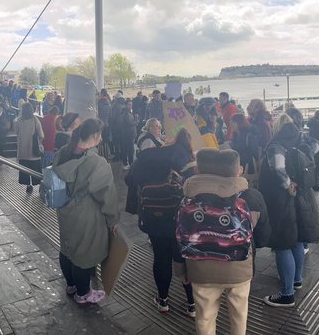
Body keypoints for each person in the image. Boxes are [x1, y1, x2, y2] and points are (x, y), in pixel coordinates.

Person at [185, 148, 269, 335]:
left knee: (204, 317)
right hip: (239, 267)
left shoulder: (187, 199)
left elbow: (178, 236)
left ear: (199, 171)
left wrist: (180, 268)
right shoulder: (251, 197)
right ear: (236, 170)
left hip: (200, 268)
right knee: (239, 315)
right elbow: (263, 236)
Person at [127, 129, 195, 316]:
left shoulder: (149, 156)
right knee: (184, 259)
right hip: (181, 219)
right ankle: (192, 304)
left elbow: (129, 179)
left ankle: (163, 301)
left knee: (161, 258)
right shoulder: (188, 159)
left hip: (155, 218)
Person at [53, 118, 118, 305]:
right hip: (85, 213)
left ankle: (71, 285)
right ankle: (83, 294)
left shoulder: (64, 152)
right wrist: (113, 219)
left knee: (67, 247)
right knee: (84, 253)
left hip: (64, 208)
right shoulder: (96, 162)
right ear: (96, 136)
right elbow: (107, 194)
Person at [260, 114, 319, 308]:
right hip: (303, 196)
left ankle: (287, 294)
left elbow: (277, 166)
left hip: (282, 200)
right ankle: (296, 280)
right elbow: (318, 145)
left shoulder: (277, 144)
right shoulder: (303, 140)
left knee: (282, 243)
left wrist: (287, 184)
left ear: (277, 127)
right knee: (297, 238)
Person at [15, 102, 44, 193]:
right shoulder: (35, 120)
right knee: (36, 171)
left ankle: (28, 186)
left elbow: (16, 133)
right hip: (34, 152)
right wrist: (38, 142)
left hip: (23, 152)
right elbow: (41, 135)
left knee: (25, 171)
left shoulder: (19, 120)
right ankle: (39, 187)